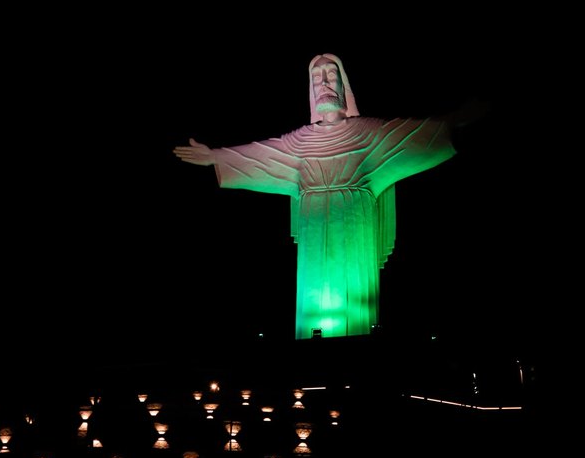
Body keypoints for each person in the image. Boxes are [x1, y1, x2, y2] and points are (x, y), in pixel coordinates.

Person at [174, 53, 460, 339]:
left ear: (343, 85)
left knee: (356, 303)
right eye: (316, 78)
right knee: (314, 309)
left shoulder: (369, 133)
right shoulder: (298, 142)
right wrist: (215, 156)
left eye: (330, 75)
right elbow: (260, 155)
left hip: (354, 223)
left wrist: (454, 122)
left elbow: (415, 135)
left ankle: (357, 343)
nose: (323, 82)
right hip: (315, 224)